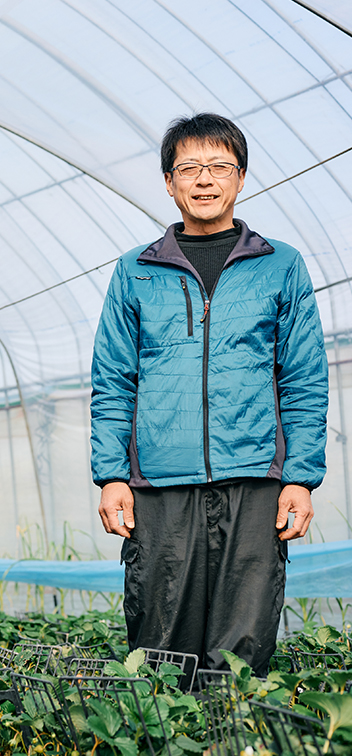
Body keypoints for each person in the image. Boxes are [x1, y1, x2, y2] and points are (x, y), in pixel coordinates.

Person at [90, 113, 328, 675]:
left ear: (240, 178)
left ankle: (232, 732)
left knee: (242, 642)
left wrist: (299, 477)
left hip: (254, 480)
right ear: (168, 182)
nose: (204, 179)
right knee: (160, 636)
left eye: (219, 166)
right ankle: (165, 731)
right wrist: (112, 475)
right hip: (160, 485)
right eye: (189, 167)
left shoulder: (280, 266)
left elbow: (302, 380)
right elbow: (114, 380)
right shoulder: (136, 271)